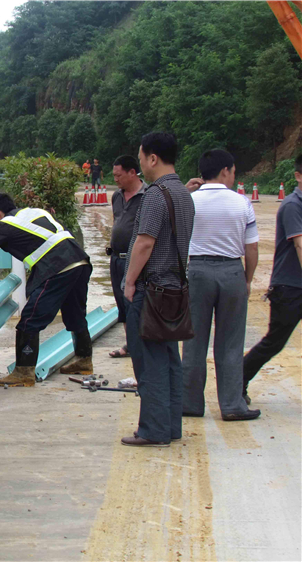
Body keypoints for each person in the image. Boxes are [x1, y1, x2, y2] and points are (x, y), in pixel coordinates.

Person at [0, 193, 93, 387]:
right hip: (80, 262)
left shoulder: (7, 224)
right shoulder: (35, 212)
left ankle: (24, 372)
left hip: (57, 267)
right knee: (75, 314)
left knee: (29, 320)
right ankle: (84, 360)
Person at [121, 132, 194, 447]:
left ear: (153, 158)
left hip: (151, 291)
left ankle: (152, 429)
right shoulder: (183, 194)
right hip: (175, 289)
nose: (140, 165)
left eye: (141, 159)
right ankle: (171, 425)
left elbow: (145, 242)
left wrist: (129, 281)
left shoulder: (154, 195)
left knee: (148, 361)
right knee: (168, 359)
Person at [181, 149, 260, 421]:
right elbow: (251, 248)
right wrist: (247, 280)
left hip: (198, 271)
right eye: (233, 171)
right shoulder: (242, 203)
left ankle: (190, 402)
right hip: (231, 271)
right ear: (225, 171)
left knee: (193, 341)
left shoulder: (189, 201)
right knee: (230, 343)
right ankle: (232, 406)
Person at [243, 154, 302, 402]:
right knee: (275, 342)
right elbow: (300, 246)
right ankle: (237, 381)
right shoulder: (292, 205)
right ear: (298, 176)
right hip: (290, 287)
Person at [108, 155, 146, 359]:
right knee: (122, 304)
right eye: (114, 176)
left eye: (119, 175)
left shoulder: (148, 195)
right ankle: (130, 345)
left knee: (136, 304)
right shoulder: (117, 196)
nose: (115, 179)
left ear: (133, 172)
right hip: (116, 259)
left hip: (136, 260)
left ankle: (141, 347)